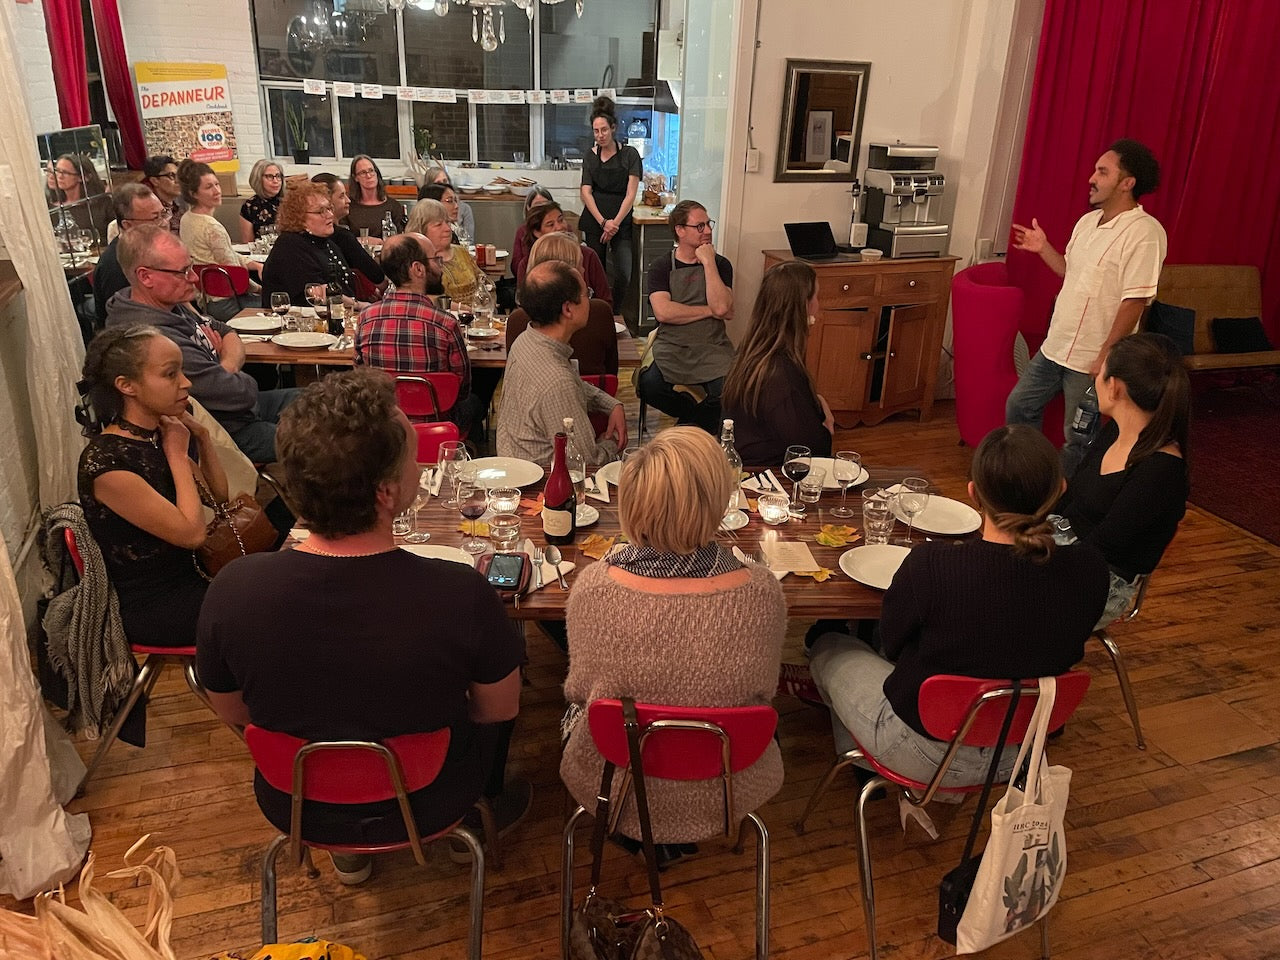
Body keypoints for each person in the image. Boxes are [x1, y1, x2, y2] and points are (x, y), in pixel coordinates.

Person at [196, 368, 528, 882]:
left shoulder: (232, 589)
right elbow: (498, 708)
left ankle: (347, 850)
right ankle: (475, 826)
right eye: (413, 458)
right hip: (431, 798)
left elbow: (232, 709)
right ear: (387, 492)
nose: (419, 467)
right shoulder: (462, 593)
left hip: (296, 801)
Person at [809, 425, 1109, 787]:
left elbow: (892, 642)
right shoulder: (1091, 569)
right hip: (1022, 751)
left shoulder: (934, 565)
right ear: (1060, 489)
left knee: (829, 645)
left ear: (973, 493)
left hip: (925, 751)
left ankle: (866, 763)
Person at [561, 427, 785, 855]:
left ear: (631, 502)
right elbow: (764, 693)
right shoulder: (761, 592)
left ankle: (639, 837)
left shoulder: (592, 588)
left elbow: (578, 693)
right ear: (718, 501)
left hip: (617, 782)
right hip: (727, 786)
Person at [1007, 139, 1167, 476]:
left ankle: (1066, 499)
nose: (1092, 178)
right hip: (1056, 347)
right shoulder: (1086, 222)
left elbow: (1135, 300)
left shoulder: (1145, 233)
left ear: (1127, 183)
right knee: (1020, 406)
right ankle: (1032, 478)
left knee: (1078, 438)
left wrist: (1106, 355)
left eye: (1103, 172)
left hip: (1093, 358)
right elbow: (1070, 271)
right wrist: (1043, 248)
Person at [78, 325, 227, 649]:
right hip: (157, 605)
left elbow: (218, 498)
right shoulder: (107, 462)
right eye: (171, 374)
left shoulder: (161, 431)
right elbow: (192, 535)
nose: (186, 383)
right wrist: (176, 455)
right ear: (126, 385)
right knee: (275, 607)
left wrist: (202, 437)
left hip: (197, 576)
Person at [107, 225, 299, 463]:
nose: (194, 278)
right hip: (225, 433)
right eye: (183, 272)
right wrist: (227, 367)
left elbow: (226, 330)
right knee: (324, 441)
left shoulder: (169, 304)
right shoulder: (152, 338)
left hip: (243, 411)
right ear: (145, 276)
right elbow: (238, 393)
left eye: (191, 267)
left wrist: (224, 365)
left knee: (326, 402)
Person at [1053, 332, 1189, 627]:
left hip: (1101, 579)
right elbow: (1070, 499)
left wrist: (1033, 559)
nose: (1095, 378)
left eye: (1101, 372)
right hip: (1068, 549)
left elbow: (1103, 548)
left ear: (1114, 387)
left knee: (995, 595)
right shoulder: (1115, 430)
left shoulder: (1161, 470)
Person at [498, 261, 626, 467]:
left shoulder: (526, 340)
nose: (589, 300)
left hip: (515, 464)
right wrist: (612, 443)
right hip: (544, 481)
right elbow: (586, 462)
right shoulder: (558, 382)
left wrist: (610, 404)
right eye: (587, 294)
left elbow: (573, 384)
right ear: (568, 309)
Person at [355, 233, 484, 431]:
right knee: (475, 402)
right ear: (418, 269)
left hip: (383, 426)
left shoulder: (366, 318)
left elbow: (360, 375)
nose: (441, 265)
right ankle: (461, 449)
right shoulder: (445, 323)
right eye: (435, 259)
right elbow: (462, 387)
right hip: (436, 424)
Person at [638, 199, 735, 434]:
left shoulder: (721, 265)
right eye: (700, 226)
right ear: (680, 230)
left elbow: (723, 307)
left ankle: (685, 428)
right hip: (672, 345)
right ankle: (694, 419)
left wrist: (708, 262)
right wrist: (709, 310)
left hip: (713, 345)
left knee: (730, 392)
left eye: (709, 224)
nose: (708, 230)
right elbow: (664, 312)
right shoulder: (662, 266)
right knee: (649, 385)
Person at [722, 260, 834, 464]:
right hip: (766, 474)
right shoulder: (780, 372)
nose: (818, 304)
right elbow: (813, 450)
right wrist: (827, 419)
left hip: (745, 464)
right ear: (804, 306)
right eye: (816, 296)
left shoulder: (751, 350)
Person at [505, 232, 618, 377]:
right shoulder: (599, 312)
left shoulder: (517, 321)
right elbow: (611, 371)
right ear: (571, 274)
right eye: (581, 265)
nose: (584, 270)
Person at [177, 159, 261, 321]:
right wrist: (259, 289)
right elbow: (234, 272)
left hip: (205, 299)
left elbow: (227, 254)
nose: (217, 191)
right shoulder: (212, 227)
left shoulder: (187, 218)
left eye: (217, 184)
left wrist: (255, 264)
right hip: (226, 301)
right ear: (193, 194)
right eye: (209, 187)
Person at [579, 96, 642, 305]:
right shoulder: (590, 156)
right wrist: (603, 222)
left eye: (604, 130)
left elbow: (631, 194)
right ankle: (598, 311)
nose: (600, 135)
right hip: (595, 221)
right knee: (595, 275)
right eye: (596, 131)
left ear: (613, 128)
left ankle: (615, 311)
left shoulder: (630, 155)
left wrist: (614, 224)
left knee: (624, 272)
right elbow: (585, 192)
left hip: (620, 222)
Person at [260, 182, 362, 309]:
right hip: (295, 318)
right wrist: (359, 306)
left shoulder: (327, 243)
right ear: (300, 218)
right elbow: (320, 293)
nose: (330, 215)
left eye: (329, 208)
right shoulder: (290, 246)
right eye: (321, 211)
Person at [513, 201, 611, 309]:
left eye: (561, 220)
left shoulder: (588, 255)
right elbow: (524, 306)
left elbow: (605, 302)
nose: (559, 227)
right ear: (537, 232)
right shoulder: (527, 263)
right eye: (550, 224)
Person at [94, 184, 167, 327]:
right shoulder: (115, 265)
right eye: (155, 218)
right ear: (127, 225)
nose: (164, 223)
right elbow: (128, 324)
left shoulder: (152, 249)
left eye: (163, 214)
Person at [310, 172, 387, 292]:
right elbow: (378, 278)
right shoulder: (342, 237)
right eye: (342, 196)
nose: (348, 200)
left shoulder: (308, 236)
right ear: (326, 200)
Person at [406, 198, 485, 303]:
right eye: (438, 225)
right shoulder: (416, 263)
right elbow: (421, 299)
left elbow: (483, 282)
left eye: (448, 222)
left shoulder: (461, 252)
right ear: (421, 229)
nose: (448, 229)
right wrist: (462, 309)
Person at [49, 152, 113, 244]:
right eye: (57, 171)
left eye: (65, 172)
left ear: (83, 177)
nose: (59, 176)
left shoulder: (103, 204)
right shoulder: (51, 208)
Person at [344, 155, 407, 237]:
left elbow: (401, 237)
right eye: (363, 173)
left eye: (371, 171)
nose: (368, 176)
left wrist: (380, 242)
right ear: (355, 178)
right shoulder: (348, 206)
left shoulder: (393, 206)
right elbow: (343, 237)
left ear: (377, 173)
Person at [510, 186, 555, 278]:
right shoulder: (522, 231)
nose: (542, 210)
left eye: (546, 205)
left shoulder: (561, 229)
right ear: (528, 208)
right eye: (537, 206)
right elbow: (516, 267)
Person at [422, 165, 475, 243]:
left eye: (445, 181)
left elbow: (469, 240)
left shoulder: (464, 208)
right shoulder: (423, 213)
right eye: (438, 183)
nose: (456, 206)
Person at [238, 159, 286, 242]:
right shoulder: (249, 207)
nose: (275, 181)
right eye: (270, 176)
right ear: (258, 179)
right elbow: (248, 243)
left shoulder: (289, 202)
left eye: (278, 176)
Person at [142, 155, 184, 235]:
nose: (178, 181)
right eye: (171, 176)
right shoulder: (150, 214)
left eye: (178, 175)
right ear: (155, 181)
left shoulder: (179, 207)